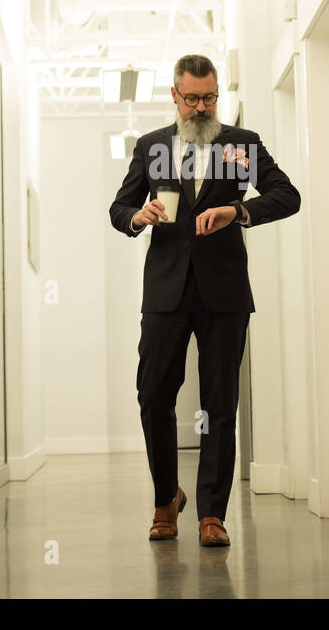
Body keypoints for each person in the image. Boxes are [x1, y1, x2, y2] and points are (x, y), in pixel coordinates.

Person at [108, 55, 301, 546]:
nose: (199, 107)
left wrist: (236, 210)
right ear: (174, 95)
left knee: (220, 403)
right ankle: (165, 499)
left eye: (208, 97)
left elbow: (287, 195)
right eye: (191, 98)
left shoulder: (241, 144)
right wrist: (139, 215)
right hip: (166, 291)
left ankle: (211, 514)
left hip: (224, 292)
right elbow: (119, 208)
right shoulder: (151, 146)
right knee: (153, 395)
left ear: (218, 95)